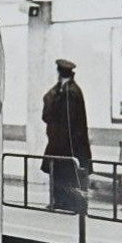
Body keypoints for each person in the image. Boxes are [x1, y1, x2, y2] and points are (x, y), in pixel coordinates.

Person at [41, 58, 91, 213]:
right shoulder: (64, 90)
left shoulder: (70, 92)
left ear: (60, 73)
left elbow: (65, 120)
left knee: (68, 173)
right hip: (62, 143)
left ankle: (72, 203)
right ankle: (62, 201)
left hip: (67, 143)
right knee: (61, 172)